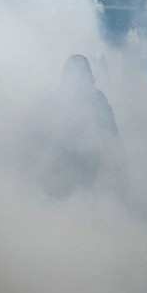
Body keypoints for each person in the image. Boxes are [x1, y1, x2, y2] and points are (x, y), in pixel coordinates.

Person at [48, 55, 120, 197]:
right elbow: (112, 132)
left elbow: (111, 131)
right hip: (69, 158)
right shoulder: (59, 99)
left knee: (76, 195)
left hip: (84, 158)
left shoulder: (96, 98)